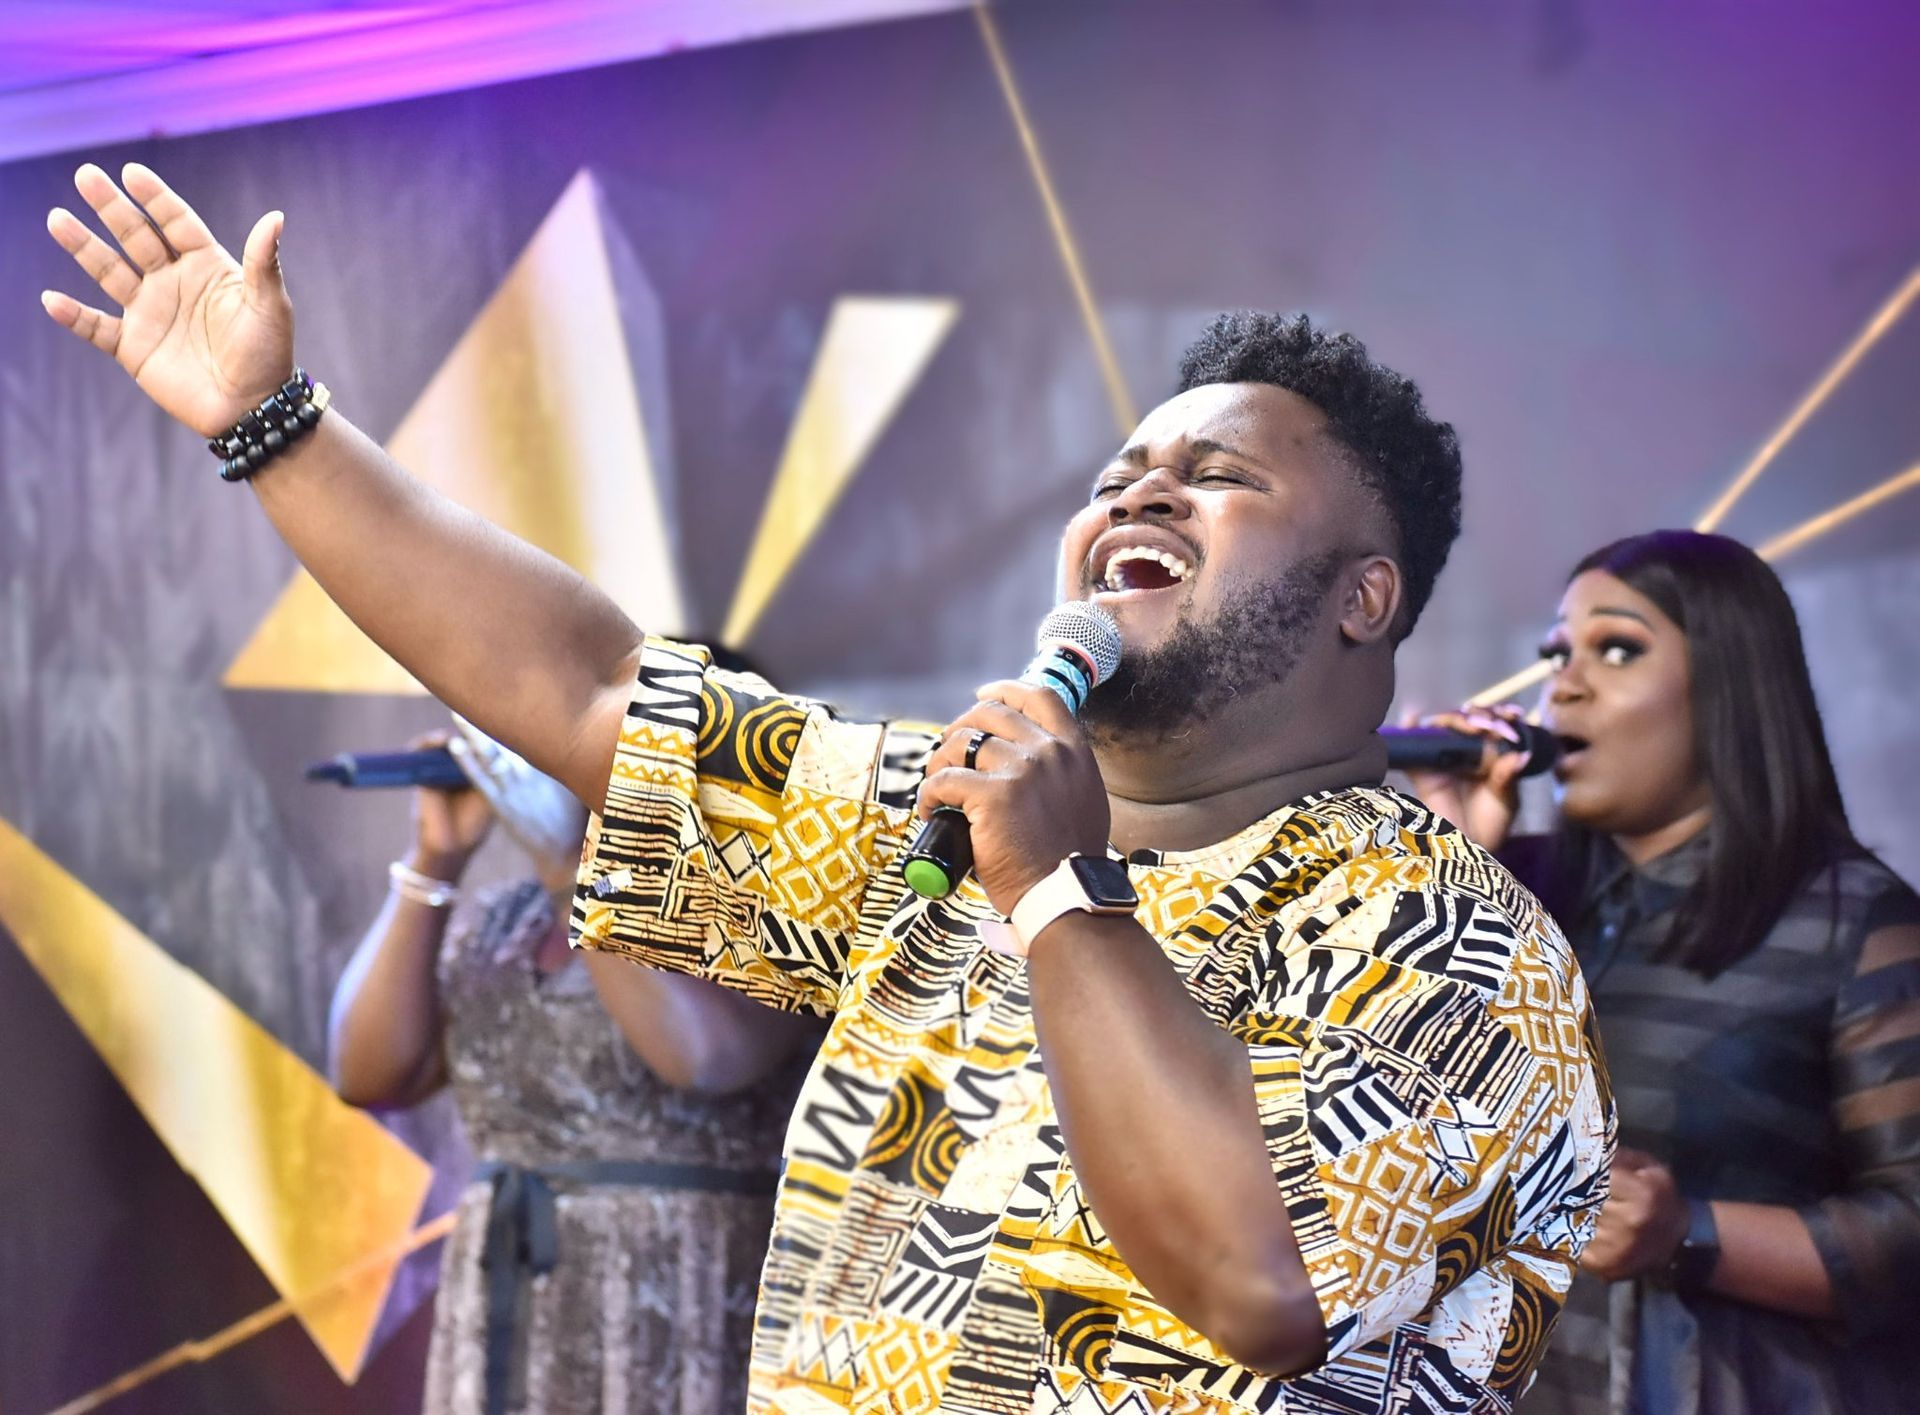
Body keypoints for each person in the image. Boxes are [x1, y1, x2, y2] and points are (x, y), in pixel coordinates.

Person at [43, 162, 1612, 1412]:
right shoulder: (939, 820)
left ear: (1362, 597)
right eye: (1118, 477)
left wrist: (1061, 895)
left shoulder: (1467, 950)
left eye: (1217, 477)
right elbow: (588, 687)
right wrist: (276, 426)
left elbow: (1264, 1281)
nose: (1141, 492)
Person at [1408, 530, 1920, 1413]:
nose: (1564, 685)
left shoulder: (1853, 920)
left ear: (1729, 684)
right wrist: (1456, 867)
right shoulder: (1511, 891)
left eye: (1617, 649)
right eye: (1557, 655)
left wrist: (1688, 1232)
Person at [330, 719, 819, 1415]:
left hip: (680, 1296)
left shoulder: (762, 908)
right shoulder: (511, 919)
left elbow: (706, 1057)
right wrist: (435, 860)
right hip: (509, 1298)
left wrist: (570, 867)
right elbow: (369, 1075)